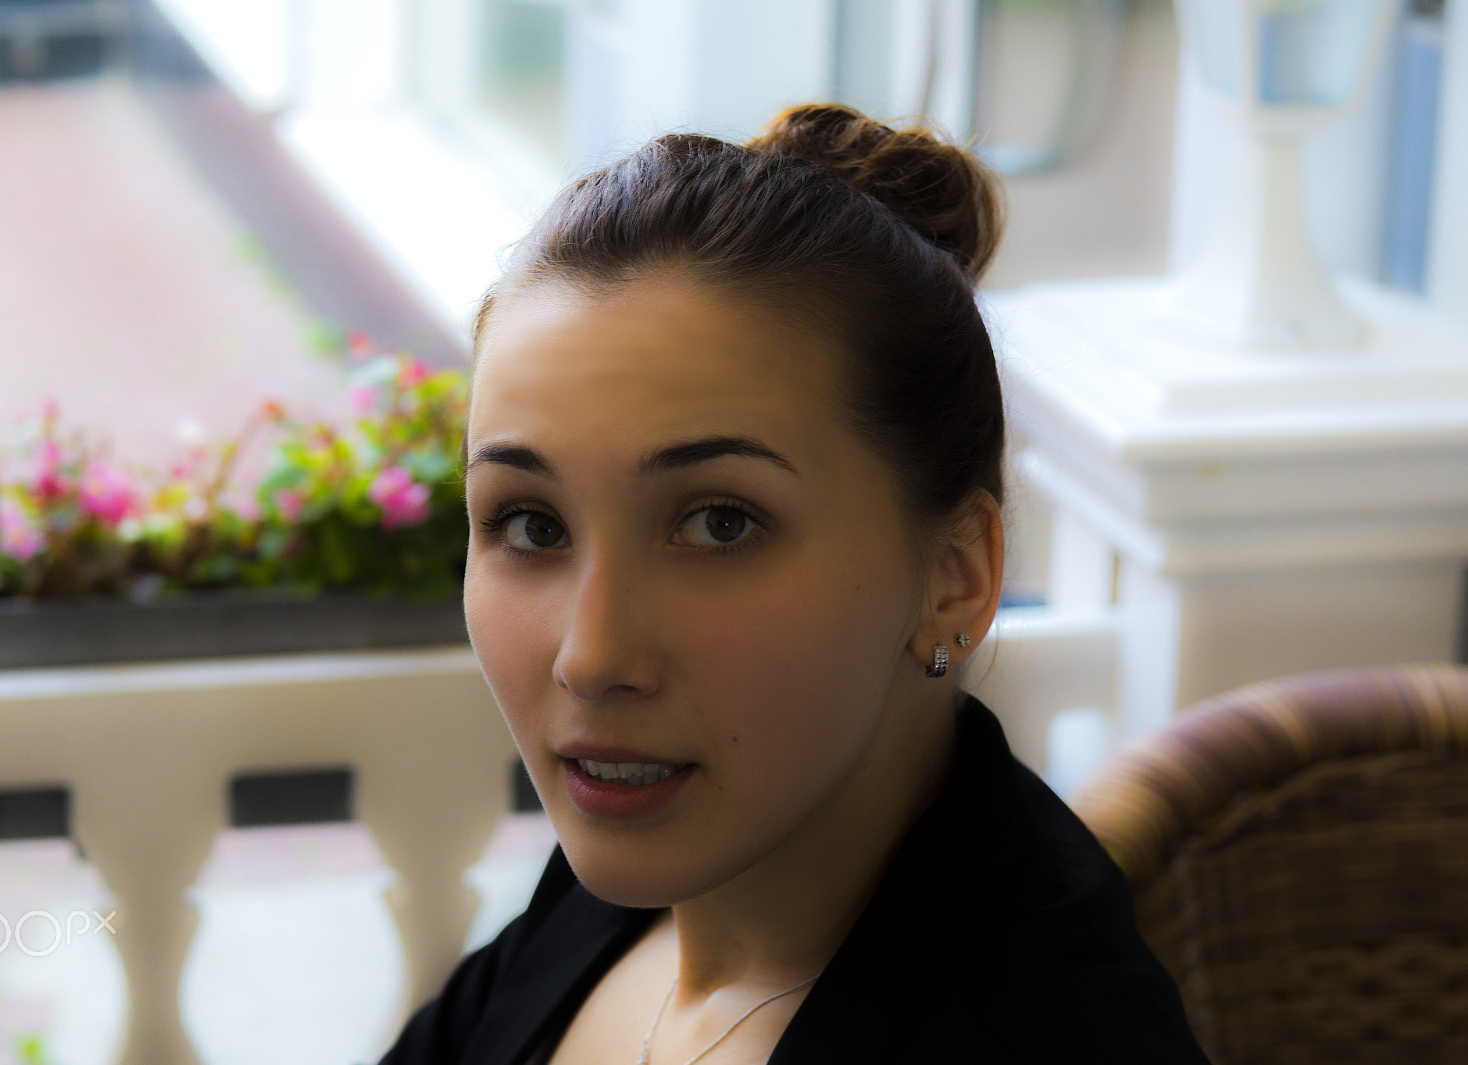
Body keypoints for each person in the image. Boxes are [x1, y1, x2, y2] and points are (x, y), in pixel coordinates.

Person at [377, 103, 1210, 1065]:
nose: (592, 657)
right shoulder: (618, 899)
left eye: (719, 523)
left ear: (955, 576)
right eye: (532, 524)